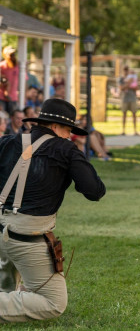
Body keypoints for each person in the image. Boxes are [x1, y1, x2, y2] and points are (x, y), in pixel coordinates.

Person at [0, 98, 105, 321]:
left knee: (6, 292)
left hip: (1, 229)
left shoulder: (8, 142)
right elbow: (94, 191)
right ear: (56, 127)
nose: (69, 136)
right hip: (27, 236)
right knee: (53, 303)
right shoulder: (66, 149)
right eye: (68, 131)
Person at [118, 66, 139, 136]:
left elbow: (136, 88)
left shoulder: (133, 78)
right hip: (125, 98)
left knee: (134, 114)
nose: (126, 71)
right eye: (125, 70)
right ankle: (123, 131)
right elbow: (121, 88)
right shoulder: (121, 79)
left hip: (132, 98)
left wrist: (129, 84)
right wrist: (129, 84)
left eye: (127, 70)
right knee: (124, 114)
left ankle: (135, 131)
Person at [0, 47, 19, 115]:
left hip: (13, 97)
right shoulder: (2, 66)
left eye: (13, 54)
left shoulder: (17, 66)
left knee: (13, 116)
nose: (12, 56)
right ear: (6, 55)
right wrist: (5, 83)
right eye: (11, 54)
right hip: (2, 97)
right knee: (3, 116)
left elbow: (23, 81)